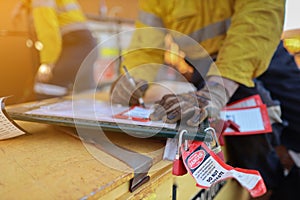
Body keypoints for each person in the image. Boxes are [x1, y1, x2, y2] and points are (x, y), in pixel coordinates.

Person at [110, 0, 286, 199]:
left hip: (258, 47)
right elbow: (146, 47)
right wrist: (135, 79)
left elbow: (259, 15)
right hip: (203, 64)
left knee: (290, 124)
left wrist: (217, 89)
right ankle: (268, 188)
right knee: (248, 131)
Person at [12, 0, 98, 99]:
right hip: (86, 45)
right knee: (84, 93)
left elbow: (49, 32)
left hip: (74, 44)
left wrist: (47, 63)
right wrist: (22, 5)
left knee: (45, 87)